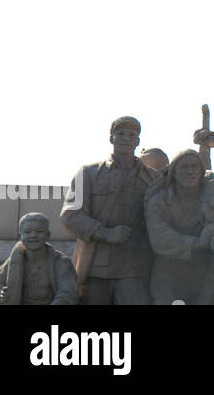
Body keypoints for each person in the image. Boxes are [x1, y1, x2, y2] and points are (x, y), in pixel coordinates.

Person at [61, 116, 160, 304]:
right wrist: (105, 233)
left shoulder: (153, 178)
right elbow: (70, 215)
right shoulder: (88, 174)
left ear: (138, 141)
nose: (125, 138)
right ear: (111, 138)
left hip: (136, 268)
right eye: (120, 134)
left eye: (131, 135)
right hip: (95, 266)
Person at [145, 149, 214, 305]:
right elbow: (159, 237)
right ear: (174, 172)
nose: (190, 171)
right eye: (184, 167)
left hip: (206, 271)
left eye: (194, 167)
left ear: (201, 171)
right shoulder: (159, 200)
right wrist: (197, 242)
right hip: (169, 273)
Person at [0, 212, 78, 305]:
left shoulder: (61, 262)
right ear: (20, 236)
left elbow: (68, 293)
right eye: (27, 232)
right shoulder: (14, 261)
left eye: (39, 231)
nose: (33, 235)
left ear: (48, 235)